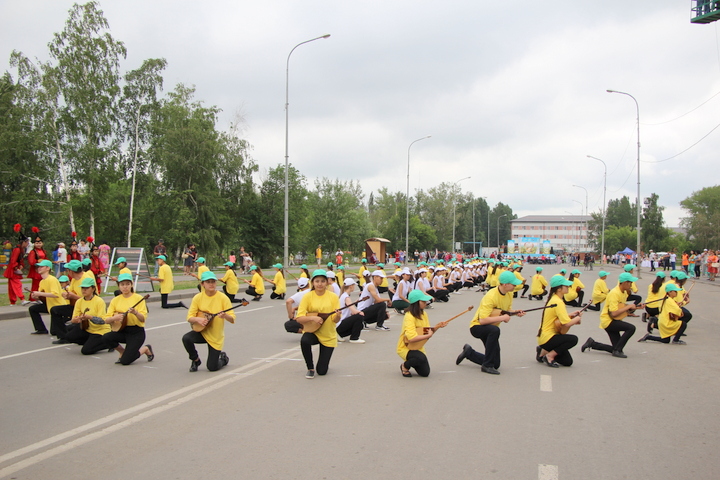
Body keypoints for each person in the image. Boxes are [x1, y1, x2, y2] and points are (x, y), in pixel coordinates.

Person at [455, 271, 526, 375]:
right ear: (505, 284)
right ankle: (486, 366)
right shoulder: (491, 296)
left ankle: (469, 353)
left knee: (496, 364)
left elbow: (505, 310)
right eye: (513, 284)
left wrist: (515, 312)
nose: (515, 286)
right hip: (478, 327)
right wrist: (502, 318)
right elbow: (483, 320)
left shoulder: (509, 293)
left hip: (491, 326)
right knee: (495, 330)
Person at [183, 271, 235, 372]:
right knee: (186, 338)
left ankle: (223, 359)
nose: (211, 284)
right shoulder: (198, 298)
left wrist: (225, 316)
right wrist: (198, 319)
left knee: (212, 367)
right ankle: (195, 360)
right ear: (202, 284)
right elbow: (189, 317)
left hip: (215, 336)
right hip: (202, 332)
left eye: (213, 282)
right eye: (208, 282)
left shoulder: (223, 298)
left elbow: (232, 318)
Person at [581, 272, 639, 358]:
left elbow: (621, 307)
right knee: (631, 328)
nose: (631, 284)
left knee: (616, 347)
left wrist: (636, 307)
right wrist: (629, 306)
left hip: (614, 320)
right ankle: (617, 350)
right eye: (630, 282)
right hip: (608, 321)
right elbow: (614, 313)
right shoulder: (614, 293)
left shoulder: (624, 292)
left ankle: (592, 344)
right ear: (624, 282)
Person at [295, 269, 340, 378]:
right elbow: (299, 318)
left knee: (322, 371)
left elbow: (335, 320)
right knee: (305, 340)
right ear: (312, 283)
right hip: (312, 331)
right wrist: (313, 318)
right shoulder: (307, 296)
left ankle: (323, 363)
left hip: (328, 334)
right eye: (317, 281)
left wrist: (338, 315)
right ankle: (310, 368)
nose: (320, 284)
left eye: (322, 281)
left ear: (327, 282)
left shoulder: (333, 297)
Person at [100, 273, 154, 365]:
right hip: (121, 330)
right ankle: (122, 352)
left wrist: (135, 313)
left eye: (127, 284)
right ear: (119, 286)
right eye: (122, 284)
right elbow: (105, 320)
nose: (125, 287)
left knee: (125, 361)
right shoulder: (115, 300)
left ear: (131, 285)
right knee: (106, 337)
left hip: (136, 332)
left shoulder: (138, 298)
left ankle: (145, 349)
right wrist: (114, 318)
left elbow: (142, 319)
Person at [398, 290, 449, 378]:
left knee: (425, 373)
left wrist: (437, 326)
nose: (426, 303)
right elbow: (411, 338)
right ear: (416, 303)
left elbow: (426, 331)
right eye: (423, 301)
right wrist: (429, 335)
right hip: (406, 347)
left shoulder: (424, 314)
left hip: (418, 346)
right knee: (420, 358)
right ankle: (405, 366)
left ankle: (414, 360)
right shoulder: (409, 316)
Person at [535, 275, 582, 367]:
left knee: (567, 362)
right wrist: (577, 318)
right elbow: (566, 323)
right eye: (566, 286)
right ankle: (549, 356)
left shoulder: (554, 299)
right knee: (573, 339)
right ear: (559, 289)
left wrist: (571, 315)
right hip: (549, 338)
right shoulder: (559, 302)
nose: (568, 287)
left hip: (544, 338)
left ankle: (543, 351)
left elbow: (559, 318)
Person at [64, 277, 112, 354]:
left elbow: (102, 321)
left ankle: (108, 343)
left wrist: (89, 317)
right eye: (82, 288)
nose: (84, 290)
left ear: (93, 289)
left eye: (87, 288)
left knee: (86, 351)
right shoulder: (79, 301)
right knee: (69, 336)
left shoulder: (99, 301)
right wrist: (76, 320)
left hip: (100, 330)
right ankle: (90, 342)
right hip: (87, 328)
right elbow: (73, 319)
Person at [28, 260, 68, 335]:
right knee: (32, 309)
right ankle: (41, 329)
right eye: (38, 267)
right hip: (49, 305)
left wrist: (39, 293)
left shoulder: (52, 279)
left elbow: (55, 294)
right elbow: (42, 296)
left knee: (54, 332)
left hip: (57, 306)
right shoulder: (42, 281)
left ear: (48, 268)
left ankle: (67, 323)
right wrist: (36, 296)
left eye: (41, 267)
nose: (39, 268)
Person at [50, 260, 85, 342]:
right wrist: (67, 295)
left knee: (72, 330)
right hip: (75, 306)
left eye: (68, 270)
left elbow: (89, 300)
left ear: (72, 271)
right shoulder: (74, 280)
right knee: (55, 310)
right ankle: (63, 336)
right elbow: (72, 293)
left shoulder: (86, 280)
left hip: (85, 309)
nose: (67, 272)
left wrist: (73, 296)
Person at [336, 278, 366, 343]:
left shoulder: (343, 295)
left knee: (360, 324)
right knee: (359, 316)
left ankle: (339, 335)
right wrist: (361, 312)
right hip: (340, 324)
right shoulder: (346, 297)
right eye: (354, 285)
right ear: (351, 286)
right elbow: (354, 311)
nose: (354, 287)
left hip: (339, 324)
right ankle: (354, 338)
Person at [5, 224, 29, 306]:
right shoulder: (17, 249)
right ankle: (22, 299)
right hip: (13, 269)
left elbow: (19, 259)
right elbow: (13, 260)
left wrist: (21, 265)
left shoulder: (20, 249)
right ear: (24, 242)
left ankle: (12, 301)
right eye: (27, 242)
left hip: (13, 269)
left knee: (12, 286)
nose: (27, 244)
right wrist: (16, 268)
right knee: (17, 284)